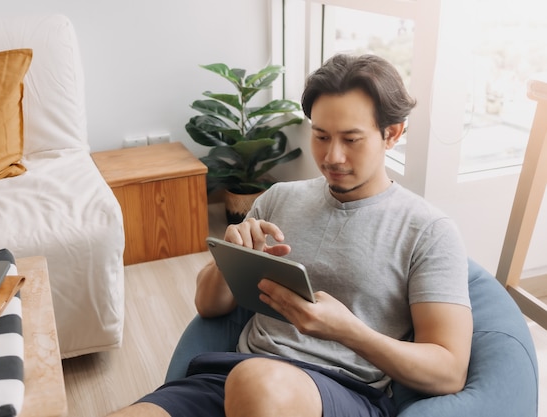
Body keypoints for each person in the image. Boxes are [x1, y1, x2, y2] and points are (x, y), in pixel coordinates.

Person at [108, 54, 472, 417]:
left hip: (341, 390)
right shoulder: (280, 197)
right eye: (321, 136)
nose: (332, 156)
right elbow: (207, 305)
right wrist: (230, 255)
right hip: (230, 375)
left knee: (259, 382)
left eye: (351, 139)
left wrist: (349, 332)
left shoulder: (428, 231)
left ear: (391, 134)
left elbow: (449, 371)